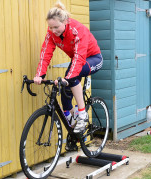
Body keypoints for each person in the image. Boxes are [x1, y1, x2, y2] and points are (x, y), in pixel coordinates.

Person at [34, 1, 102, 135]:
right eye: (50, 27)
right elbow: (45, 53)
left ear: (65, 21)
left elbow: (79, 56)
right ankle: (72, 122)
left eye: (56, 27)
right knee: (65, 89)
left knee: (70, 76)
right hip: (78, 60)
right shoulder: (52, 33)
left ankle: (82, 114)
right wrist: (40, 75)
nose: (53, 31)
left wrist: (69, 77)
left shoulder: (77, 30)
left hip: (93, 58)